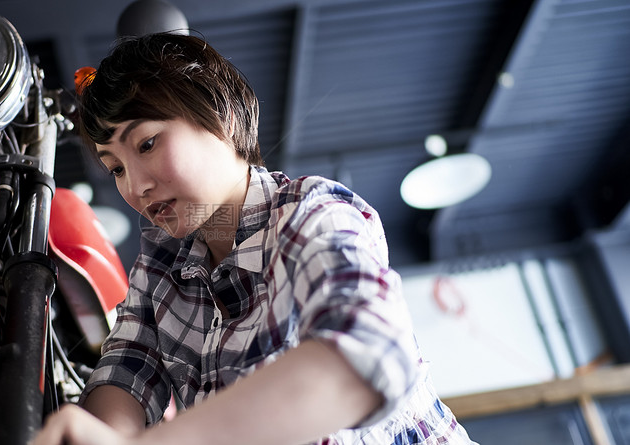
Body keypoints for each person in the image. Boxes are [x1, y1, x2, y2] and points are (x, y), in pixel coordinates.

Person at [33, 33, 476, 445]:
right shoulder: (160, 267)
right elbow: (125, 369)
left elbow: (370, 358)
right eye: (116, 168)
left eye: (146, 144)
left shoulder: (311, 212)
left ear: (221, 117)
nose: (135, 187)